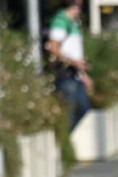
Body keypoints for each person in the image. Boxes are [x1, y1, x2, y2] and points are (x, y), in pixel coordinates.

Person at [46, 0, 92, 131]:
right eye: (79, 5)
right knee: (69, 114)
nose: (80, 10)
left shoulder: (72, 23)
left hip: (75, 74)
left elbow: (75, 52)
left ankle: (64, 140)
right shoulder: (60, 21)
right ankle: (63, 142)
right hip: (65, 73)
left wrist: (84, 75)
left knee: (83, 108)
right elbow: (52, 47)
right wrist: (73, 62)